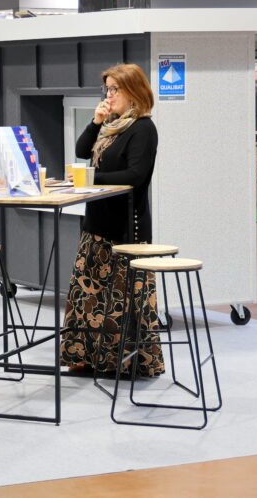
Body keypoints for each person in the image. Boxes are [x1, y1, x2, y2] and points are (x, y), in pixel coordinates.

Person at [60, 63, 165, 378]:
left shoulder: (143, 128)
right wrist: (96, 121)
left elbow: (136, 175)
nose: (109, 95)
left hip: (125, 229)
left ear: (133, 91)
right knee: (88, 296)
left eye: (115, 89)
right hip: (97, 223)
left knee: (119, 299)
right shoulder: (111, 127)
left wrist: (91, 179)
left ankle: (122, 361)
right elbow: (81, 150)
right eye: (107, 89)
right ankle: (86, 357)